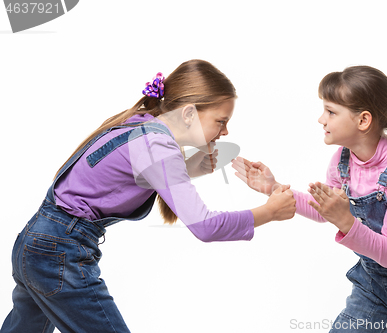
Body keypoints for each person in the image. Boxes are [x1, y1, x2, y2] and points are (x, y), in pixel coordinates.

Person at [1, 59, 296, 333]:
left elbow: (119, 176)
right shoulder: (158, 146)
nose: (226, 130)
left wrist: (187, 168)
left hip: (35, 243)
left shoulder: (139, 125)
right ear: (190, 113)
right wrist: (269, 211)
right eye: (221, 120)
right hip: (58, 253)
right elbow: (205, 226)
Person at [232, 65, 387, 332]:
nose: (321, 119)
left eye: (331, 112)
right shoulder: (341, 162)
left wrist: (346, 220)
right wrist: (273, 187)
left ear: (363, 120)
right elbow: (326, 211)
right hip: (373, 284)